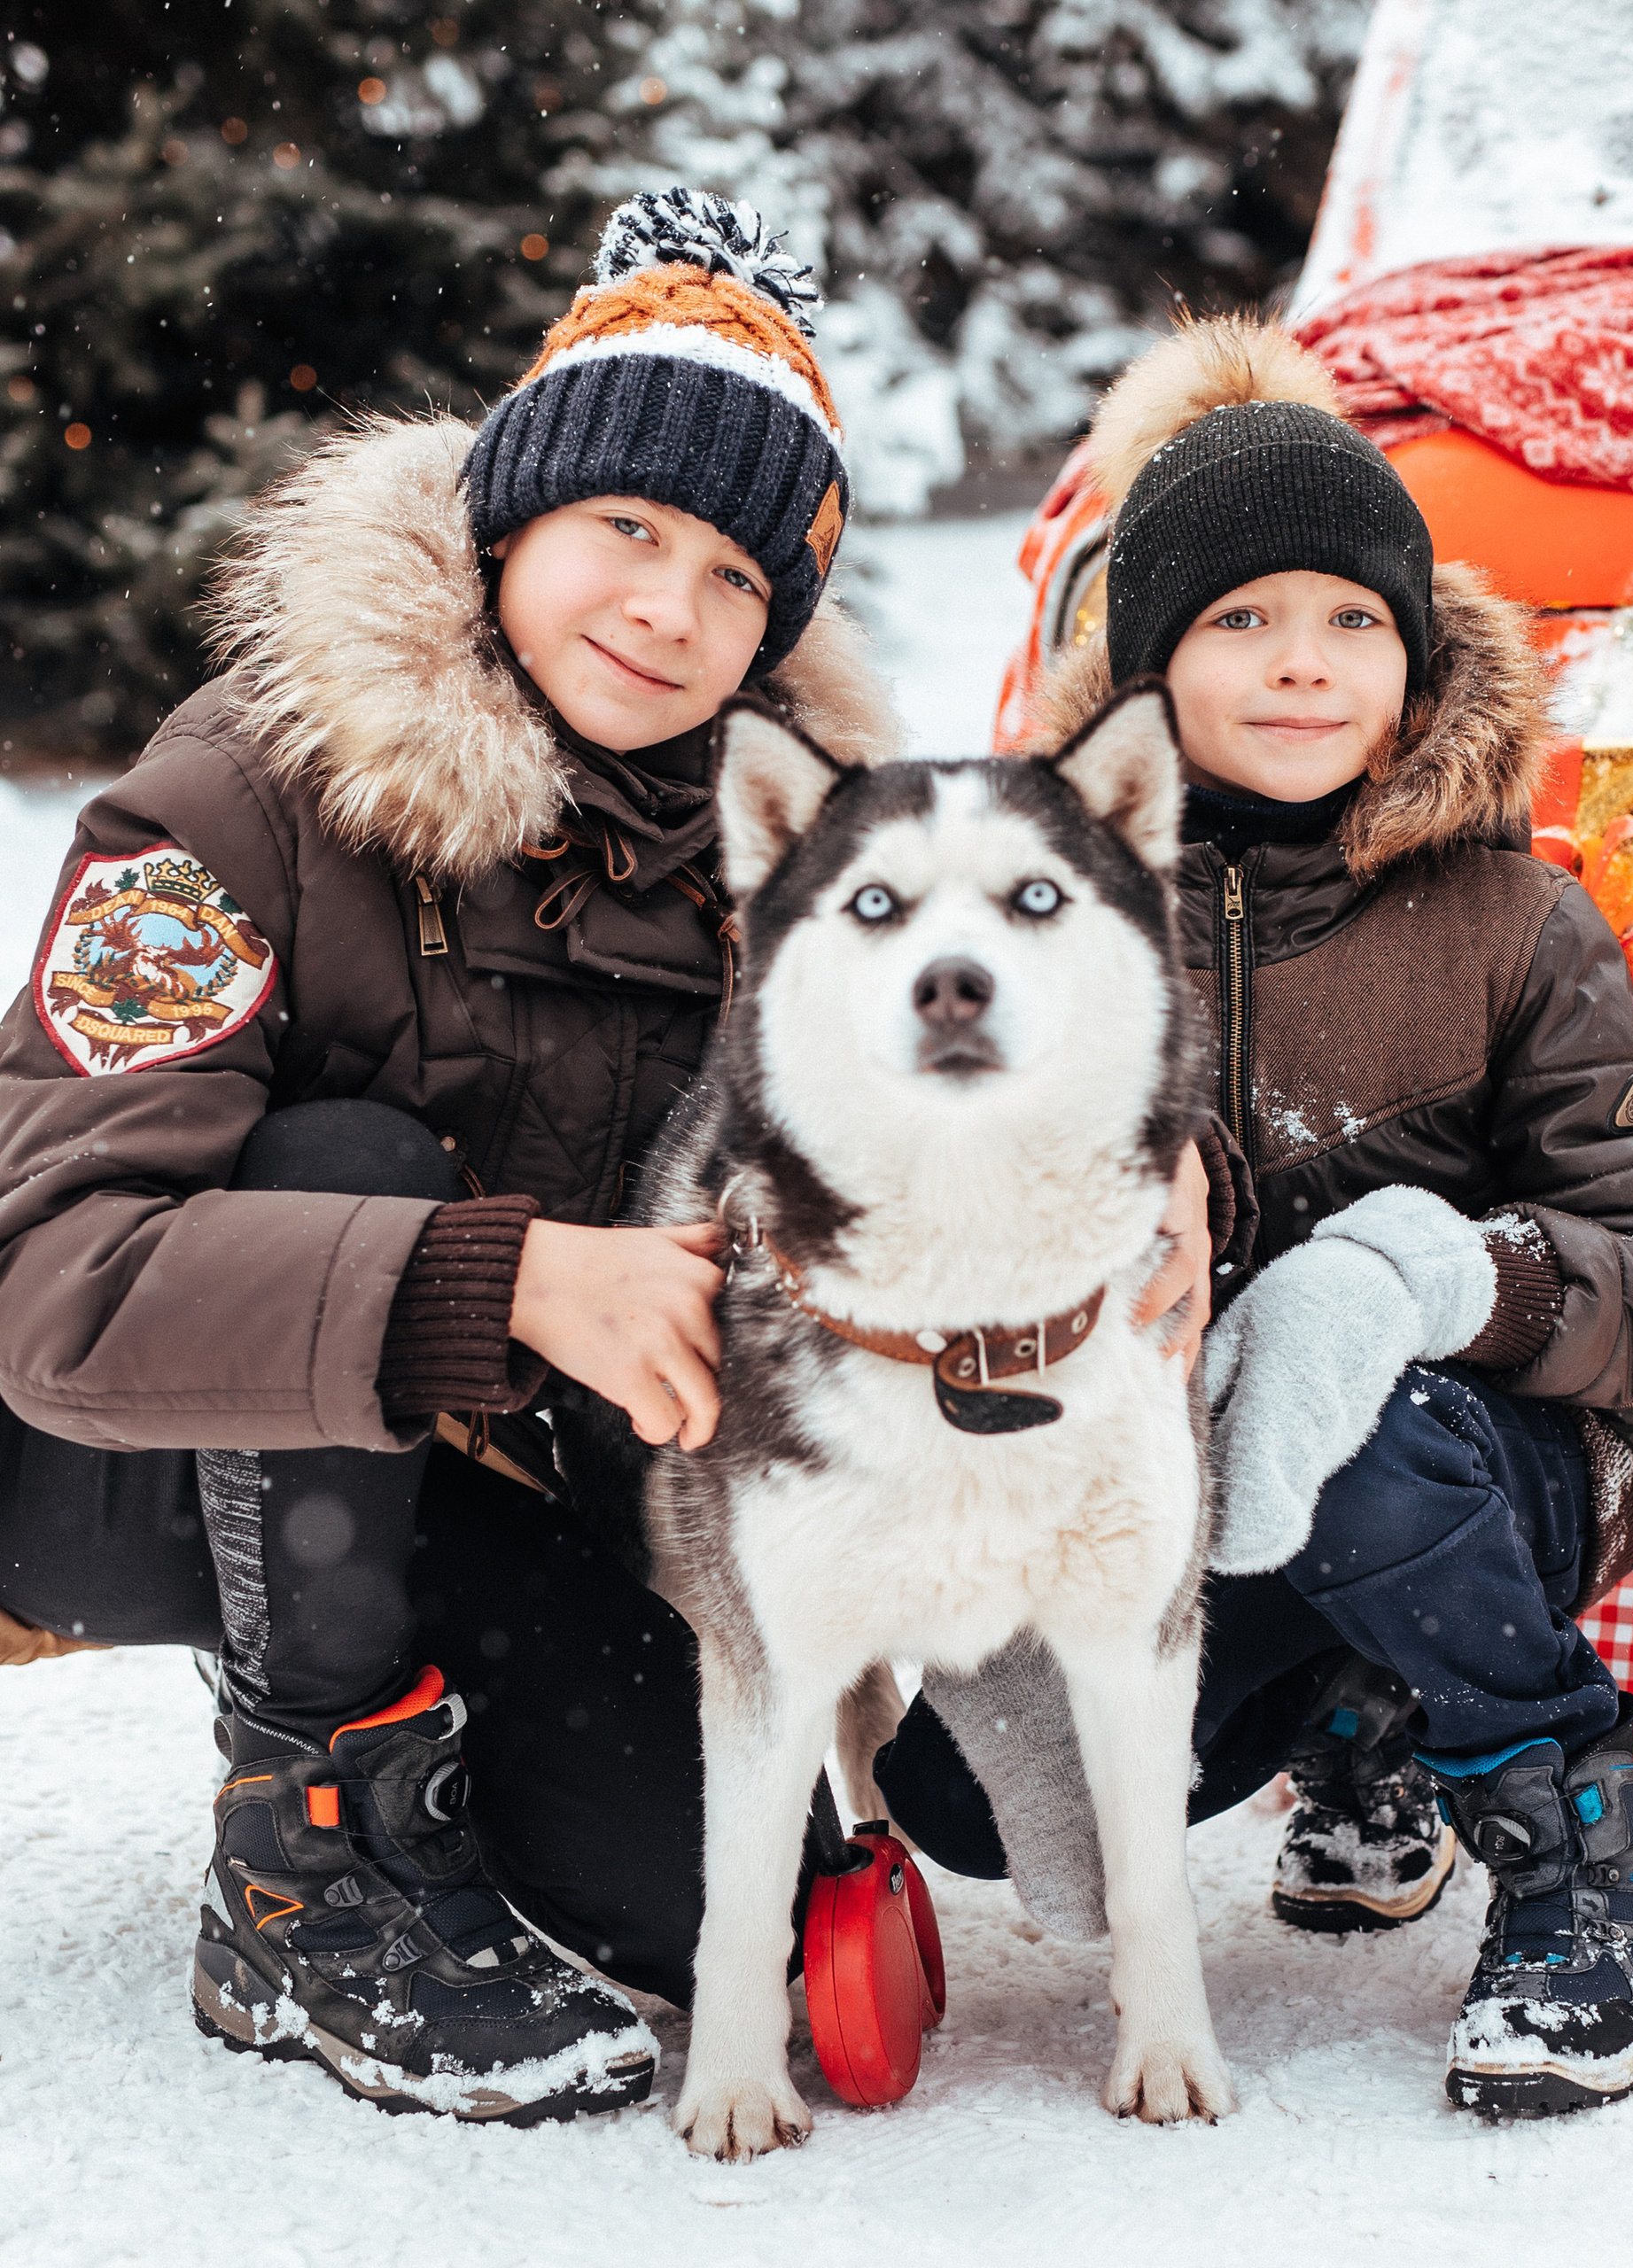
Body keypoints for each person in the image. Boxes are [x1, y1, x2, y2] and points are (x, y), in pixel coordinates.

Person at [0, 190, 1229, 2125]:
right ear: (512, 516)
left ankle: (431, 1727)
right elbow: (56, 1281)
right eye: (627, 531)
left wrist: (1158, 1161)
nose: (670, 610)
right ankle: (304, 1855)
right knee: (343, 1153)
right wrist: (508, 1280)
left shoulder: (789, 862)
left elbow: (989, 1022)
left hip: (503, 1470)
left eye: (737, 576)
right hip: (124, 1454)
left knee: (706, 1901)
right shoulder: (237, 795)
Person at [875, 317, 1633, 2117]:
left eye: (1351, 618)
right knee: (963, 1788)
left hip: (1484, 1458)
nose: (1300, 665)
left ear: (1414, 658)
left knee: (1355, 1428)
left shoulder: (1513, 924)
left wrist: (1440, 1277)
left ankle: (1580, 1843)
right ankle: (1361, 1711)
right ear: (1148, 662)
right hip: (1178, 1472)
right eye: (1239, 618)